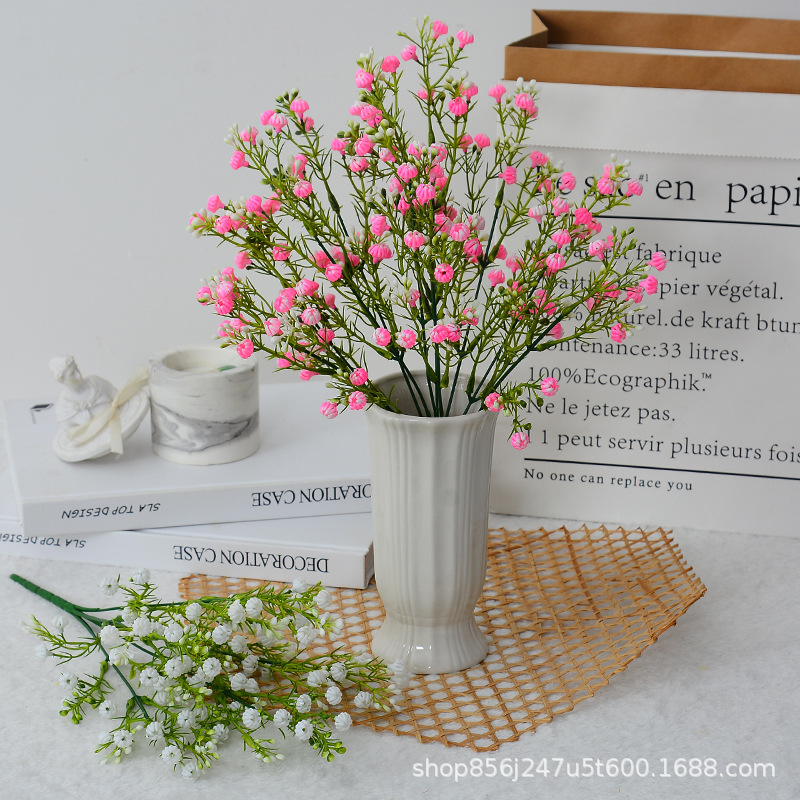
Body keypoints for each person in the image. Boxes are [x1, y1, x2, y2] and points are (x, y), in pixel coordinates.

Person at [49, 355, 118, 431]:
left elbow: (120, 397)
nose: (78, 375)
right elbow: (71, 434)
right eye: (72, 374)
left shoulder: (96, 383)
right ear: (62, 381)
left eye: (77, 368)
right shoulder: (64, 410)